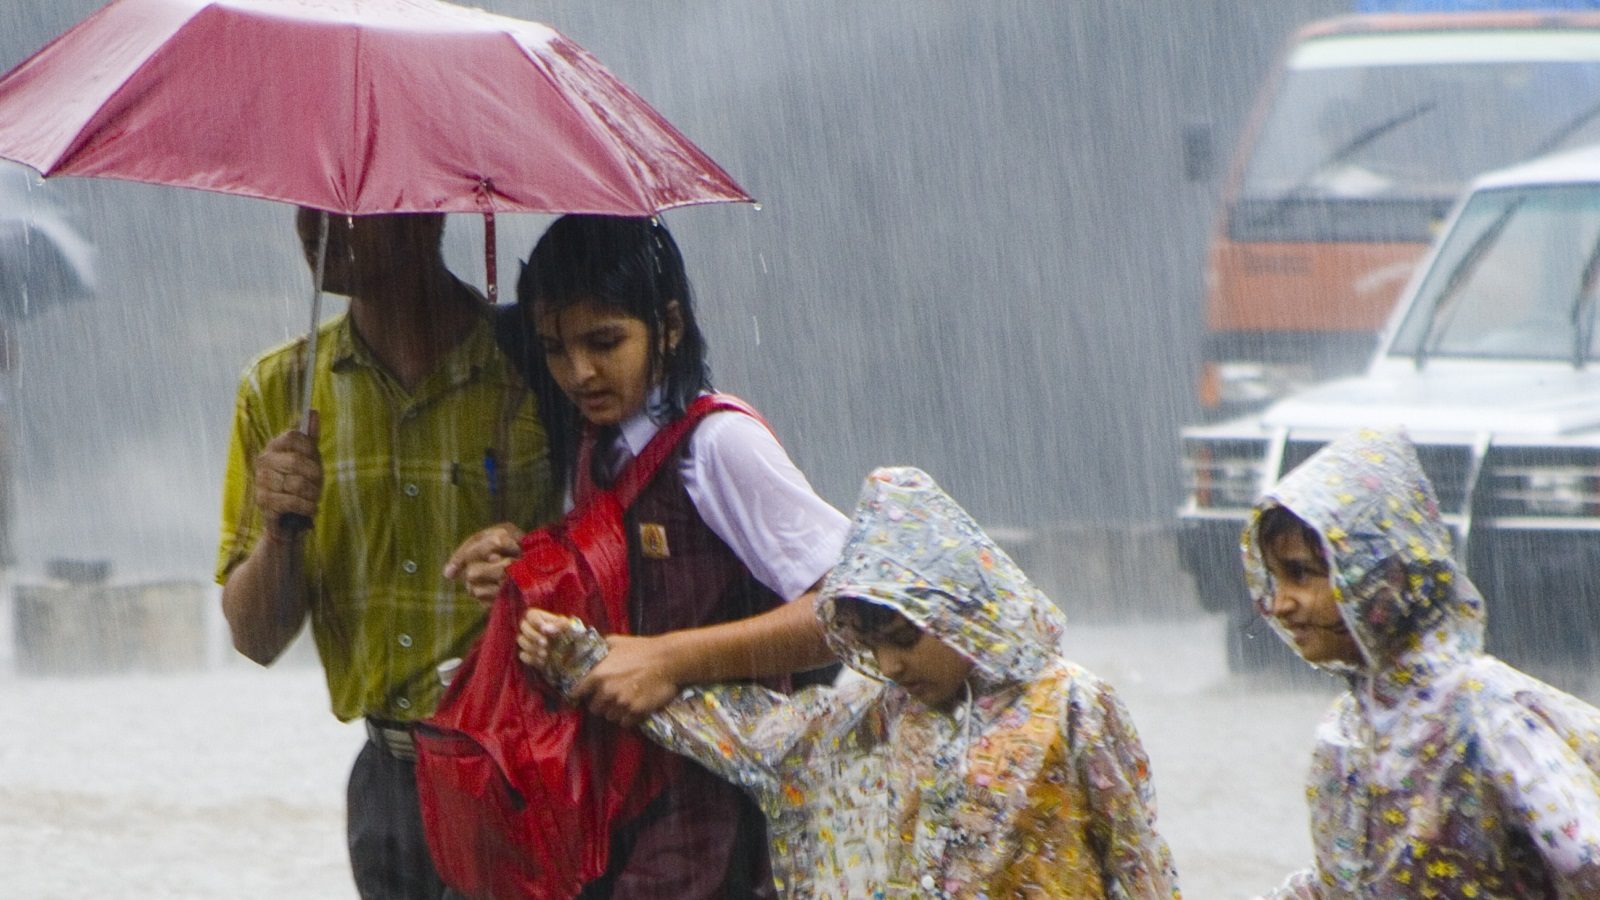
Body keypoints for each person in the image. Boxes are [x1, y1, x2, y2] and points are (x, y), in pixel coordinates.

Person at [522, 466, 1182, 899]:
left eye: (905, 641)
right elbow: (751, 734)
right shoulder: (874, 718)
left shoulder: (1072, 704)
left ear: (957, 609)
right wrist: (584, 660)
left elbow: (1138, 859)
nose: (891, 665)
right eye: (872, 647)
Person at [444, 213, 848, 898]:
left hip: (715, 818)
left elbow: (853, 609)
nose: (579, 373)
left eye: (605, 342)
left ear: (668, 325)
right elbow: (615, 609)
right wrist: (525, 579)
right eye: (554, 348)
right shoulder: (597, 445)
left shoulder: (718, 446)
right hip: (622, 810)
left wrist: (671, 660)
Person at [216, 208, 557, 900]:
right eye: (306, 203)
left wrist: (538, 570)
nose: (312, 227)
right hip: (387, 784)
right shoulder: (280, 390)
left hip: (525, 766)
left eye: (343, 207)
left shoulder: (538, 368)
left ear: (422, 213)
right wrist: (281, 530)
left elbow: (618, 567)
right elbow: (255, 638)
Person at [1245, 427, 1600, 898]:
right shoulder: (1346, 728)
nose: (1279, 603)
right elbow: (1349, 879)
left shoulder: (1484, 713)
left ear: (1376, 574)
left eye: (1301, 574)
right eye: (1274, 578)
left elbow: (1586, 857)